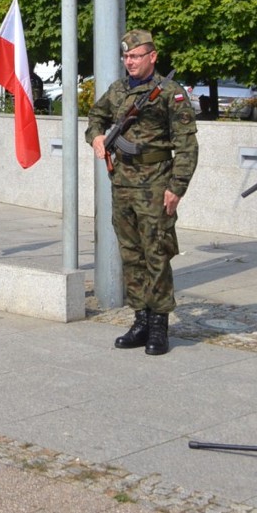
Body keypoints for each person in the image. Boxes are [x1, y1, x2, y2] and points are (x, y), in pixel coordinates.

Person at [86, 29, 198, 356]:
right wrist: (95, 138)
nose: (130, 62)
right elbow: (96, 117)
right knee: (131, 253)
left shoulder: (170, 93)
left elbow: (187, 146)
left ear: (153, 56)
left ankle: (160, 324)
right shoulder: (119, 89)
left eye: (136, 56)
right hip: (122, 181)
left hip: (156, 182)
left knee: (156, 252)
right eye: (126, 57)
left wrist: (176, 187)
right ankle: (140, 319)